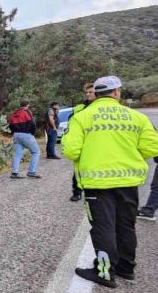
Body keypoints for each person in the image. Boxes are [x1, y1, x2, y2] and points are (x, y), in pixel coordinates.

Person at [63, 76, 158, 288]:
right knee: (126, 225)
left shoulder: (82, 117)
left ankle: (105, 272)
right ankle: (127, 268)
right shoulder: (137, 117)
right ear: (117, 92)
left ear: (95, 94)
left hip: (97, 184)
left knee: (103, 228)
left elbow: (70, 150)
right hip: (129, 182)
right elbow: (153, 148)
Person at [68, 83, 97, 201]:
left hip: (99, 142)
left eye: (91, 92)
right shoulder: (79, 108)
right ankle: (77, 192)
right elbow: (71, 123)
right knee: (78, 170)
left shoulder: (103, 108)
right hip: (84, 143)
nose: (88, 94)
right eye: (87, 92)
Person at [8, 100, 42, 179]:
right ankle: (31, 171)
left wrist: (14, 132)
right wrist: (32, 133)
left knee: (17, 154)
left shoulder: (15, 113)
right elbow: (32, 123)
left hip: (16, 135)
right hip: (26, 134)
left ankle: (14, 173)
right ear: (28, 105)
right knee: (36, 152)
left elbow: (10, 125)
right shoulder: (27, 112)